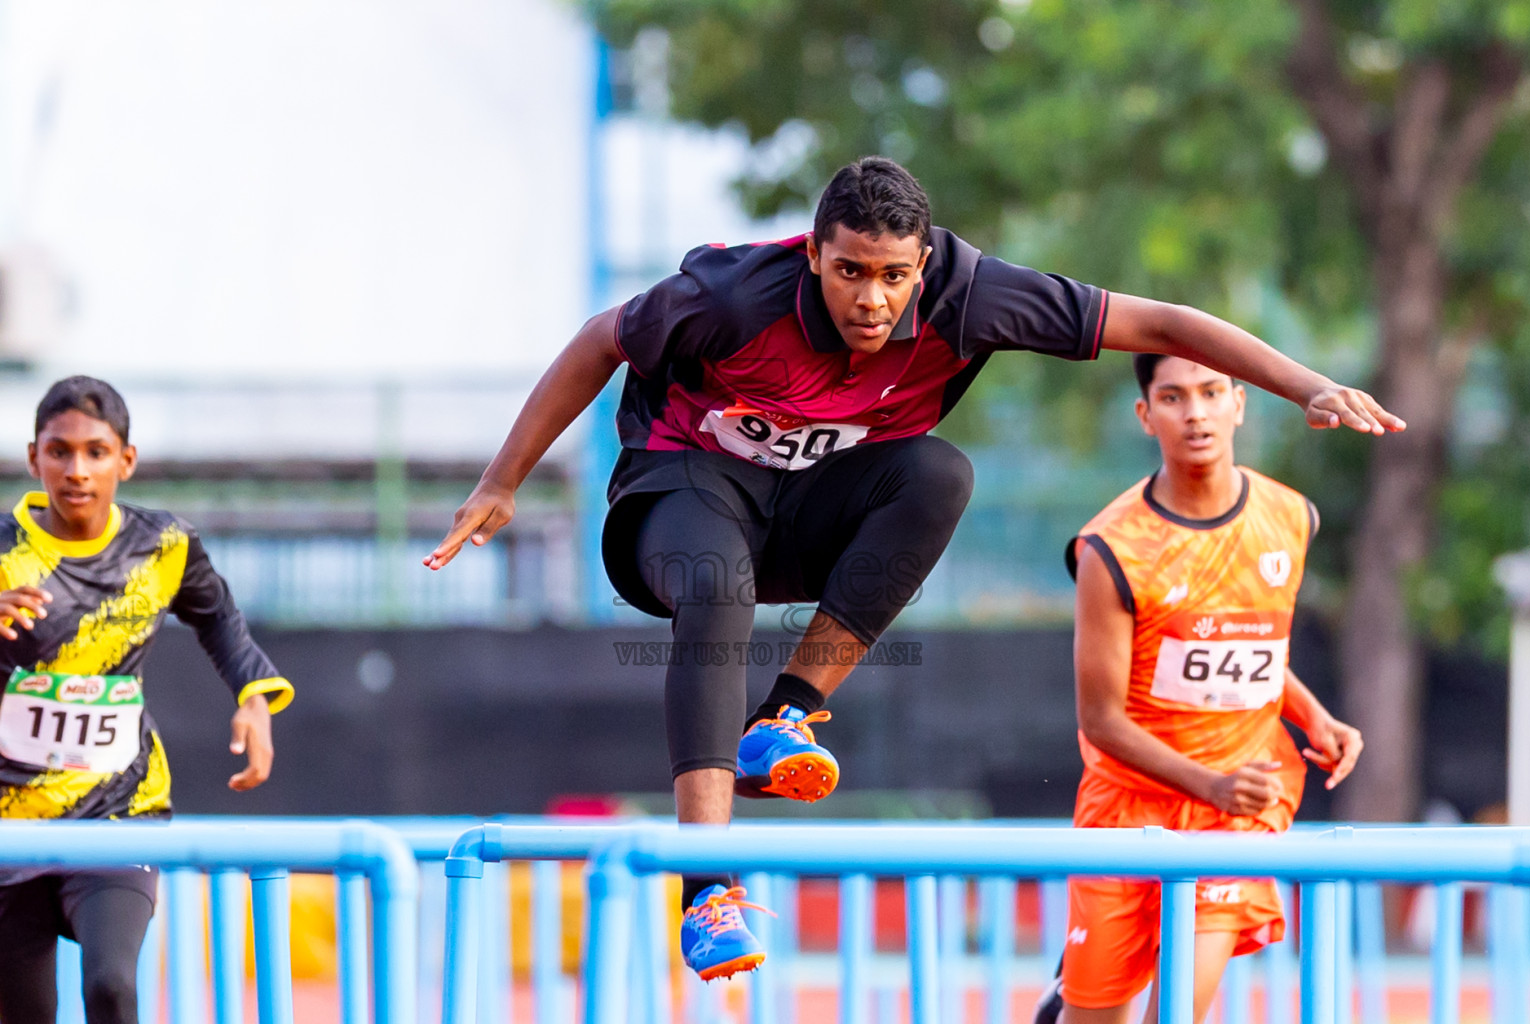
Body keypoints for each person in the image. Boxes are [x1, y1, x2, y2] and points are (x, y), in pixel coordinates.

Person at [424, 157, 1398, 980]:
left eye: (893, 276)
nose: (872, 300)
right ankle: (709, 891)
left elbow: (1169, 325)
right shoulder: (728, 297)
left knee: (938, 471)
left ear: (922, 264)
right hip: (682, 501)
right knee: (716, 586)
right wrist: (502, 481)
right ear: (813, 257)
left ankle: (788, 716)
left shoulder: (973, 296)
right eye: (849, 273)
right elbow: (601, 338)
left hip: (811, 516)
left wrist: (1309, 385)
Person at [1032, 354, 1364, 1024]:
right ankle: (1067, 998)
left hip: (1236, 810)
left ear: (1239, 403)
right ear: (1145, 415)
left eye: (1212, 393)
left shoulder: (1292, 516)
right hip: (1126, 811)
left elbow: (1244, 646)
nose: (1197, 413)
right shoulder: (1111, 549)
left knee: (1176, 1014)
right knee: (1097, 1016)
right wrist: (1204, 781)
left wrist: (1311, 715)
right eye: (1175, 397)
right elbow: (1099, 720)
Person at [0, 377, 294, 1024]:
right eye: (59, 451)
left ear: (125, 460)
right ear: (33, 458)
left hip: (119, 812)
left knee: (111, 987)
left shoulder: (163, 547)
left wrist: (252, 694)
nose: (76, 470)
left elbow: (218, 618)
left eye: (96, 452)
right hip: (10, 823)